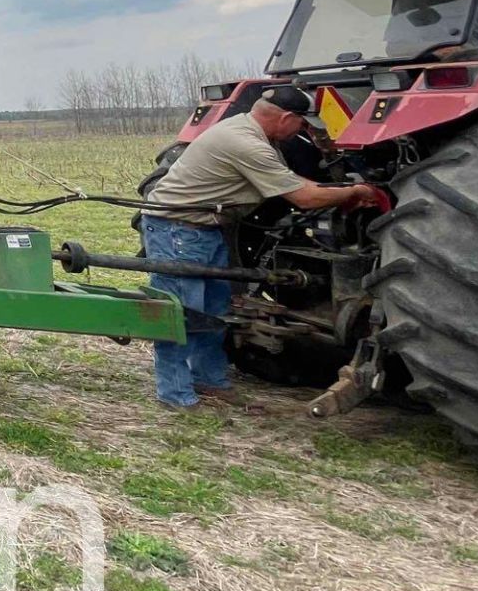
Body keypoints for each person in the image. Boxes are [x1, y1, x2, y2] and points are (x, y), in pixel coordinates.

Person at [139, 86, 384, 410]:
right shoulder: (246, 143)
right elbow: (304, 198)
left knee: (213, 312)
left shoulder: (253, 133)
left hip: (208, 230)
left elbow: (297, 186)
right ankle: (175, 395)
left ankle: (209, 380)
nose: (304, 132)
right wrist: (355, 191)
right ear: (285, 118)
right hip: (177, 231)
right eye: (303, 125)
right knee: (182, 314)